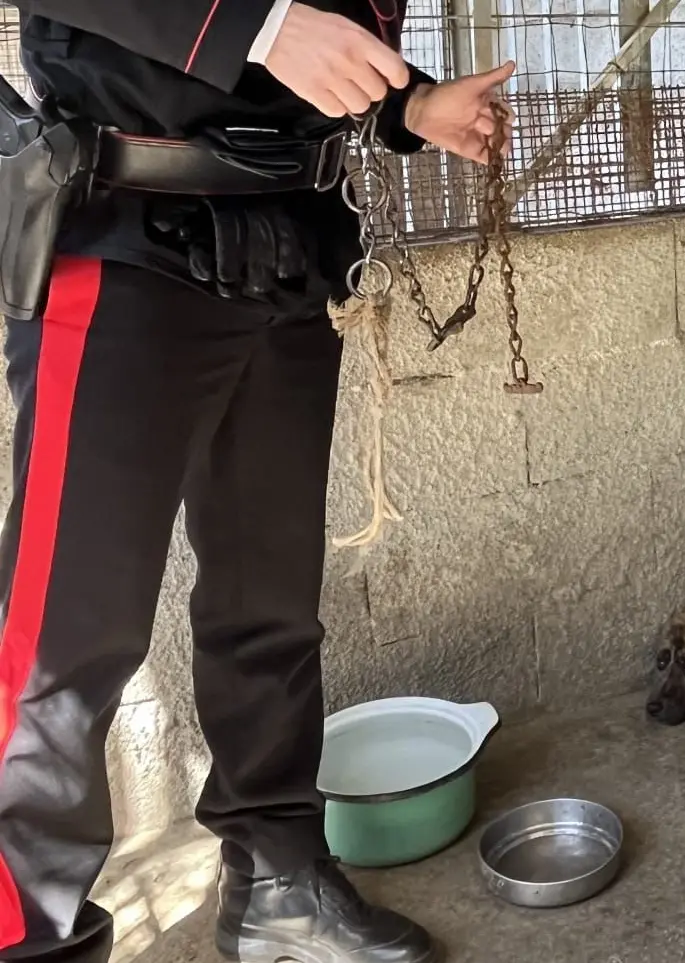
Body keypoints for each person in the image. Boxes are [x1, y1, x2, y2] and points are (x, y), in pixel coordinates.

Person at [0, 3, 515, 962]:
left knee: (268, 604)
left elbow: (314, 54)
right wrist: (259, 23)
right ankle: (24, 937)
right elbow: (271, 34)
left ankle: (278, 878)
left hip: (287, 245)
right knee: (61, 647)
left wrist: (409, 109)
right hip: (121, 241)